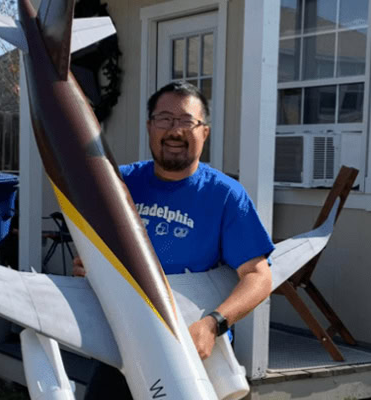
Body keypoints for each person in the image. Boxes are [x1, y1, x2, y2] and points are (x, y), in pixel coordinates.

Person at [74, 81, 274, 399]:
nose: (175, 131)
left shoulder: (225, 195)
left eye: (186, 122)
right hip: (125, 345)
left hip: (195, 355)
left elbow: (258, 276)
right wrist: (93, 264)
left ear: (204, 132)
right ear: (150, 127)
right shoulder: (119, 184)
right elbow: (93, 250)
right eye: (164, 119)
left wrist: (213, 325)